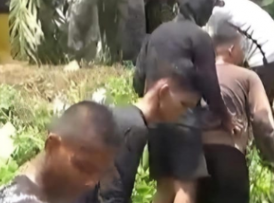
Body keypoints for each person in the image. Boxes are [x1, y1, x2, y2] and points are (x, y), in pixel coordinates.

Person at [133, 0, 235, 203]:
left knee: (166, 187)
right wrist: (225, 117)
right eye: (210, 7)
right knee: (186, 189)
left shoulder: (156, 33)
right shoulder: (199, 38)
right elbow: (209, 83)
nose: (210, 13)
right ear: (201, 6)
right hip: (183, 121)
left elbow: (138, 81)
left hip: (155, 120)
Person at [75, 59, 203, 203]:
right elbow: (112, 196)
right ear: (164, 91)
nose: (184, 113)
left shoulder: (121, 115)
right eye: (183, 104)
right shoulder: (134, 128)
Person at [197, 24, 274, 203]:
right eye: (242, 48)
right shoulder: (247, 77)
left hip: (195, 159)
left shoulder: (197, 74)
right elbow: (262, 119)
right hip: (229, 159)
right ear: (232, 49)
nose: (244, 54)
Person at [0, 101, 122, 203]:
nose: (91, 182)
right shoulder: (19, 199)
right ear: (52, 146)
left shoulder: (57, 194)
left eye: (99, 174)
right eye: (83, 167)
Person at [196, 0, 274, 104]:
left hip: (266, 56)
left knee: (252, 106)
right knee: (264, 103)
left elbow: (204, 42)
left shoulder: (218, 7)